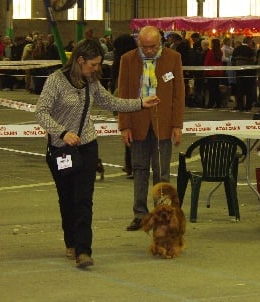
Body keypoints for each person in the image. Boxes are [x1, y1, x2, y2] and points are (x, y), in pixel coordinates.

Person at [35, 39, 160, 268]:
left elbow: (109, 101)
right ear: (80, 60)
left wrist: (141, 103)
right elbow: (41, 113)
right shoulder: (56, 81)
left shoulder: (91, 82)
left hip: (87, 146)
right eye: (93, 64)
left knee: (84, 198)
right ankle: (70, 242)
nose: (96, 69)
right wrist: (63, 133)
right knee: (67, 198)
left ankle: (84, 250)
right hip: (61, 149)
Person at [118, 26, 185, 231]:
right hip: (137, 123)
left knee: (161, 172)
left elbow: (178, 94)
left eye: (153, 46)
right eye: (144, 46)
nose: (148, 51)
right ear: (138, 42)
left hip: (163, 124)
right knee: (139, 171)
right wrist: (124, 126)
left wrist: (177, 125)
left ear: (161, 42)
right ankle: (140, 214)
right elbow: (123, 94)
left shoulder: (173, 58)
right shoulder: (127, 59)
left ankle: (161, 214)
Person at [110, 34, 138, 178]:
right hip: (131, 102)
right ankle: (131, 166)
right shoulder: (133, 58)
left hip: (125, 102)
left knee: (129, 134)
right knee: (131, 134)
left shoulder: (122, 60)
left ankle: (131, 166)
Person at [231, 36, 256, 111]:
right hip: (249, 74)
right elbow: (254, 62)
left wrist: (237, 70)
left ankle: (240, 106)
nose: (252, 43)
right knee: (249, 91)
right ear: (248, 42)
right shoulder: (251, 50)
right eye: (251, 42)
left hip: (239, 73)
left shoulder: (236, 49)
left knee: (240, 90)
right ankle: (248, 107)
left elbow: (232, 61)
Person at [203, 38, 224, 108]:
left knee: (211, 89)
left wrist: (205, 72)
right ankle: (218, 103)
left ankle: (210, 103)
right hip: (218, 72)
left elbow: (207, 62)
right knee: (217, 89)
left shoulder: (210, 52)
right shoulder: (220, 52)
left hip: (211, 72)